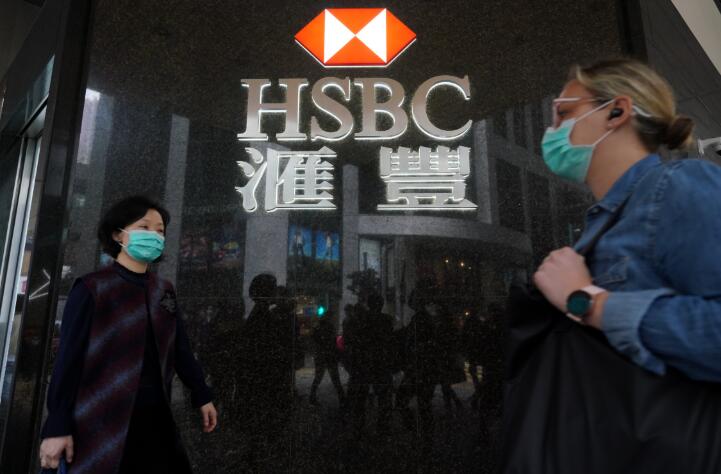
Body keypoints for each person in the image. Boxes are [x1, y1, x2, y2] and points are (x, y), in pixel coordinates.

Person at [534, 58, 721, 382]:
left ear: (617, 111)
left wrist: (587, 302)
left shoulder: (678, 185)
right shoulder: (608, 219)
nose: (552, 130)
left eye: (564, 112)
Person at [38, 196, 217, 473]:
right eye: (144, 227)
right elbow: (68, 361)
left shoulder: (163, 290)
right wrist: (57, 427)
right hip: (100, 419)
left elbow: (180, 348)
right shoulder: (92, 288)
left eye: (160, 231)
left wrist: (201, 394)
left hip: (155, 419)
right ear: (117, 234)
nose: (154, 236)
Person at [309, 310, 345, 406]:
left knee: (318, 377)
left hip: (321, 355)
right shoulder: (329, 327)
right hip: (329, 355)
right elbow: (332, 341)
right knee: (335, 378)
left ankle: (312, 396)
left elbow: (314, 339)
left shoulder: (318, 327)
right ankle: (342, 398)